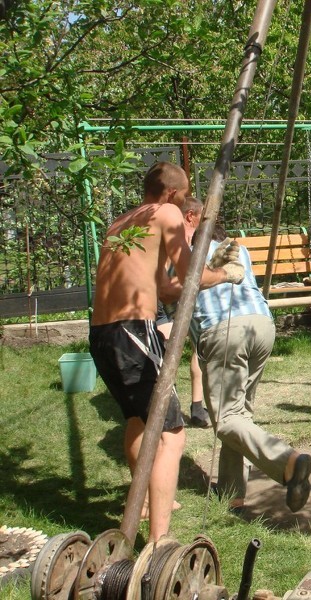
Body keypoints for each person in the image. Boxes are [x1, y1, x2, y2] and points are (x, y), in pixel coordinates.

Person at [89, 162, 244, 542]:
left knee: (138, 421)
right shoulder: (168, 213)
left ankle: (143, 502)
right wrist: (225, 273)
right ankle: (159, 542)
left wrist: (209, 269)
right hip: (133, 330)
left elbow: (168, 288)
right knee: (172, 434)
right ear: (174, 194)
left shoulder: (124, 221)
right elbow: (193, 277)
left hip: (102, 333)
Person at [189, 225, 311, 515]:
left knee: (226, 418)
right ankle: (233, 493)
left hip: (225, 331)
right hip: (262, 326)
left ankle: (289, 461)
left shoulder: (189, 255)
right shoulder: (239, 250)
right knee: (240, 414)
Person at [155, 196, 210, 428]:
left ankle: (197, 407)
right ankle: (166, 407)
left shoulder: (193, 241)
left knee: (199, 348)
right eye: (203, 217)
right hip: (161, 302)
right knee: (168, 355)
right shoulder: (174, 239)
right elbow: (165, 284)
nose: (206, 222)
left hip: (182, 300)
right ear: (191, 216)